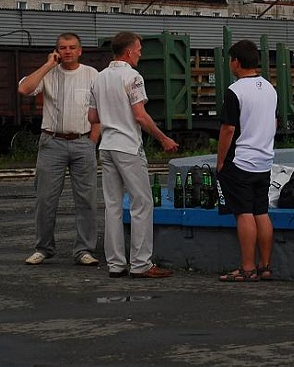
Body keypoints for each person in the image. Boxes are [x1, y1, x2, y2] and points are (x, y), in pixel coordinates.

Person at [88, 31, 179, 278]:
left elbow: (92, 118)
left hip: (106, 145)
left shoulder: (99, 78)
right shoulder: (133, 77)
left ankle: (116, 264)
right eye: (139, 49)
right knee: (142, 203)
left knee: (112, 206)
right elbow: (140, 115)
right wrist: (163, 138)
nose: (140, 53)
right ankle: (141, 264)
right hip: (128, 145)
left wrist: (111, 113)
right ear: (128, 51)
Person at [19, 32, 101, 267]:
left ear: (80, 50)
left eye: (72, 47)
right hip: (51, 142)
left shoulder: (91, 75)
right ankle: (43, 248)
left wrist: (92, 140)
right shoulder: (48, 73)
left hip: (82, 141)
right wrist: (47, 65)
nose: (67, 52)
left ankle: (84, 250)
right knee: (45, 199)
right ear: (56, 51)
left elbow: (100, 109)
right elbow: (25, 89)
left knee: (86, 199)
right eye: (63, 48)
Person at [216, 39, 278, 283]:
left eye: (230, 60)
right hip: (264, 160)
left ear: (236, 62)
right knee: (261, 212)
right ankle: (266, 267)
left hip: (241, 161)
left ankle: (247, 268)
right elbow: (274, 123)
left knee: (244, 213)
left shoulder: (236, 90)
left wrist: (221, 161)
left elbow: (228, 129)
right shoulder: (270, 88)